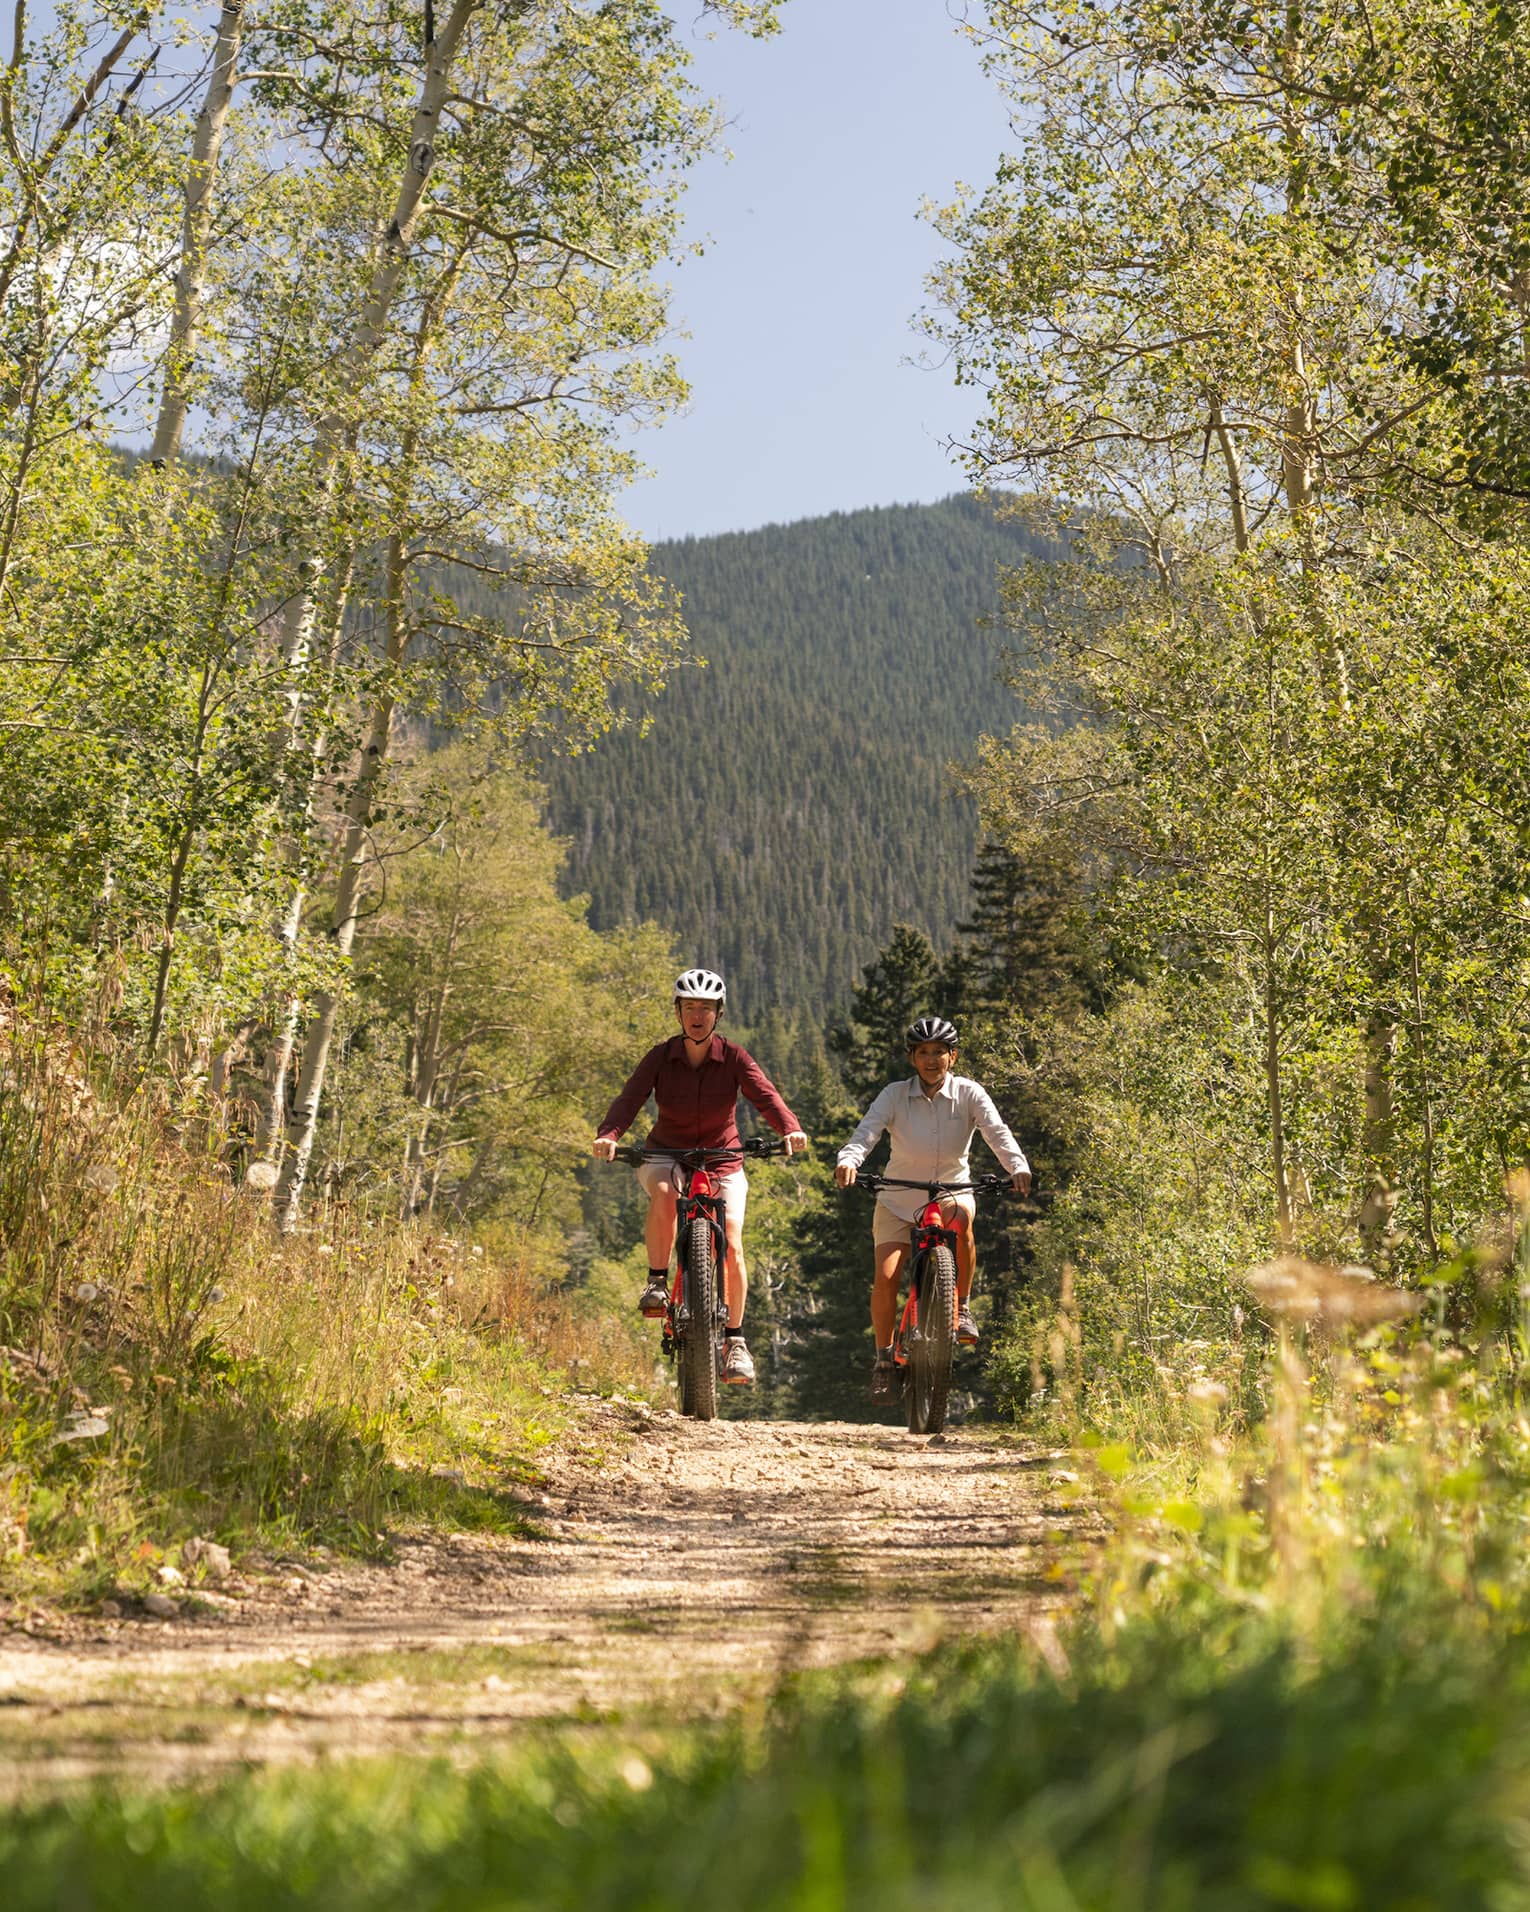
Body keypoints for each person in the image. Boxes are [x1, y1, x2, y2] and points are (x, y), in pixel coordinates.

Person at [592, 967, 807, 1386]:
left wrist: (790, 1128)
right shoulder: (659, 1057)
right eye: (690, 1007)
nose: (697, 1015)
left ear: (718, 1014)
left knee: (732, 1240)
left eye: (706, 1008)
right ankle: (656, 1282)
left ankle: (736, 1341)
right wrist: (608, 1135)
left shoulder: (734, 1058)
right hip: (665, 1152)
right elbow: (630, 1098)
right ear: (678, 1012)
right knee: (665, 1196)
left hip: (722, 1157)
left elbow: (765, 1095)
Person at [834, 1015, 1031, 1403]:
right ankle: (884, 1361)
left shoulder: (971, 1094)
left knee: (964, 1224)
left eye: (939, 1052)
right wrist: (849, 1160)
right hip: (898, 1197)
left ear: (952, 1057)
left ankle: (960, 1307)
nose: (931, 1059)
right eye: (923, 1052)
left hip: (950, 1191)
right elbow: (867, 1132)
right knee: (887, 1277)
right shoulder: (894, 1094)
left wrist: (1017, 1167)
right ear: (912, 1058)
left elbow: (997, 1132)